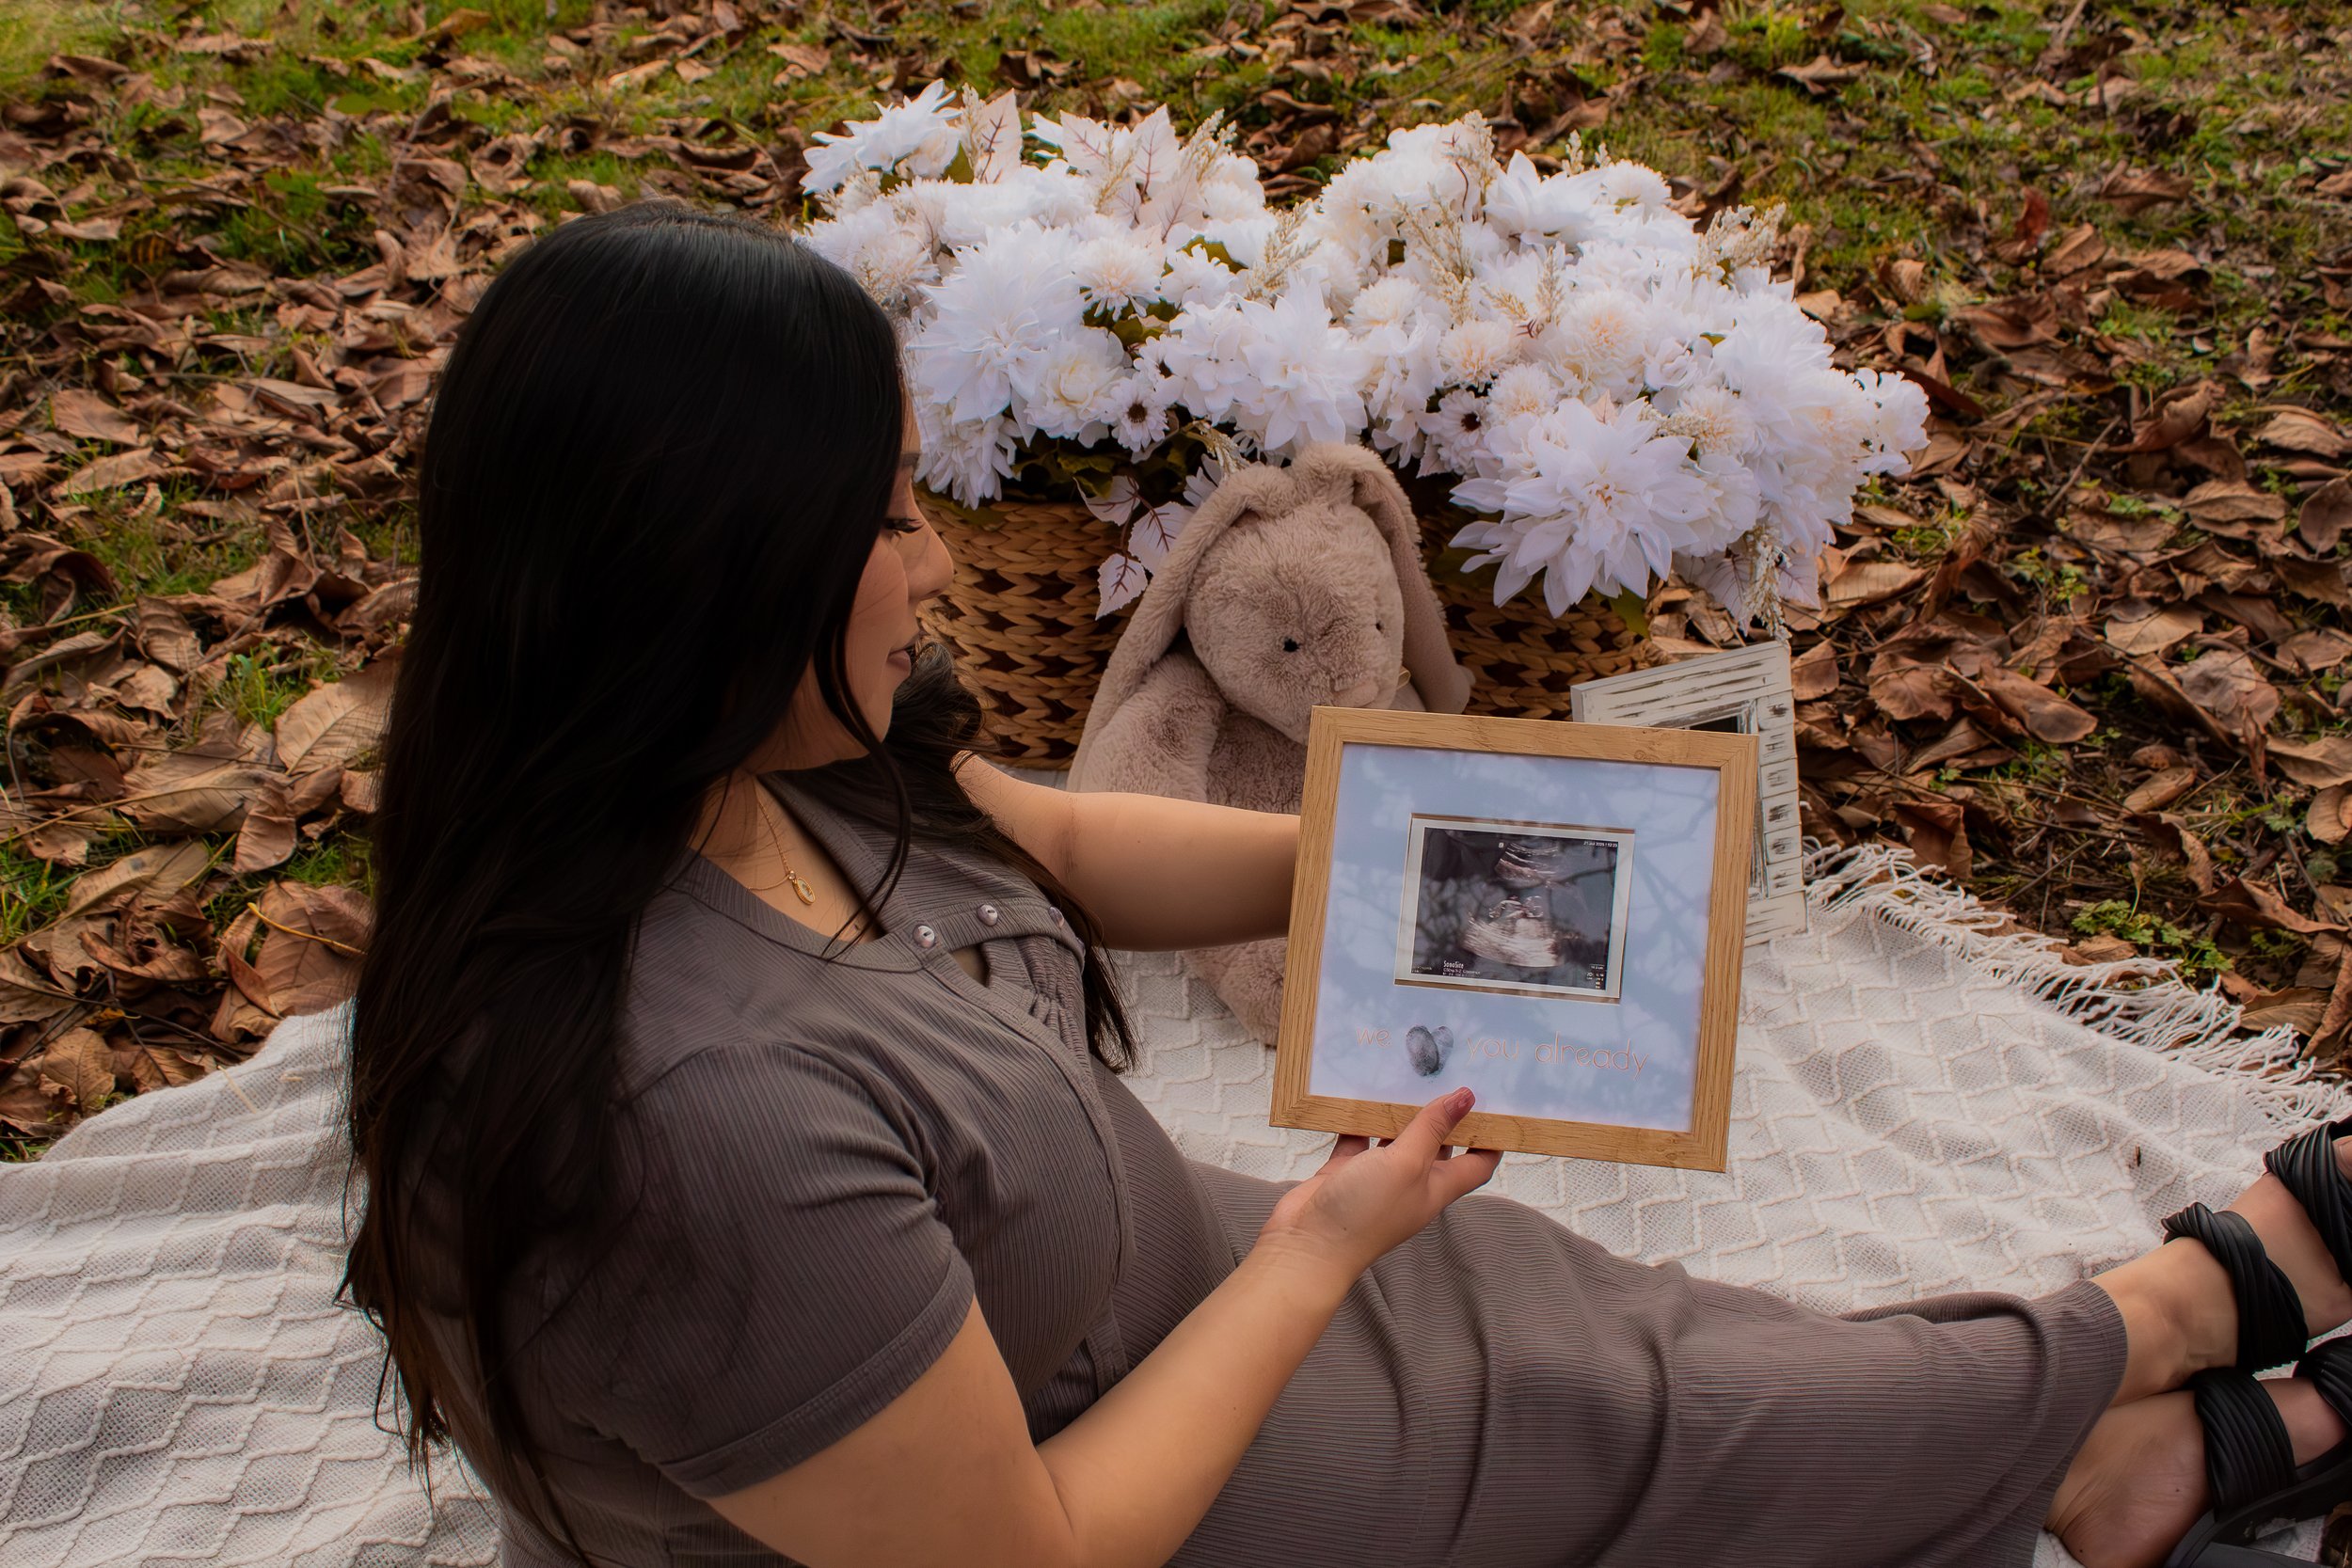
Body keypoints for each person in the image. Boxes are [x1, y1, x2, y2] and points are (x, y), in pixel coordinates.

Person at [342, 199, 2352, 1568]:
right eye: (880, 517)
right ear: (701, 571)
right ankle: (2153, 1327)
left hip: (1135, 1293)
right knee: (1674, 1434)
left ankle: (2106, 1447)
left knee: (1665, 1339)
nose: (937, 561)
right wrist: (1323, 1245)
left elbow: (1036, 841)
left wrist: (1399, 856)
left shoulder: (745, 757)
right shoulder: (690, 1134)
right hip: (1129, 1478)